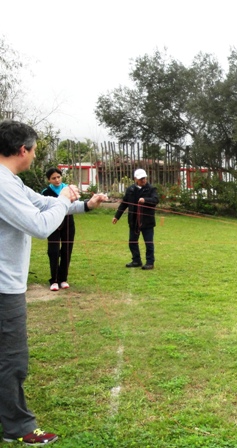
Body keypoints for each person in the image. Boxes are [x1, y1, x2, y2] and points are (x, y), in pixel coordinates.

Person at [0, 120, 108, 445]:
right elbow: (40, 225)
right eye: (34, 150)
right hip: (4, 288)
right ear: (23, 150)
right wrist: (63, 201)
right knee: (12, 359)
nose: (35, 155)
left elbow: (43, 203)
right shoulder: (2, 184)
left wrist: (82, 204)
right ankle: (18, 427)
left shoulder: (11, 181)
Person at [112, 169, 159, 270]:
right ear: (136, 179)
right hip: (133, 221)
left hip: (147, 221)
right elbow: (124, 204)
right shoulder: (131, 190)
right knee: (132, 242)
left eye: (144, 178)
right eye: (141, 179)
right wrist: (117, 216)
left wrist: (145, 200)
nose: (143, 180)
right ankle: (136, 260)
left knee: (148, 243)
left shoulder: (151, 189)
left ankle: (150, 262)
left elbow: (155, 200)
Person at [41, 168, 75, 291]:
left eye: (59, 177)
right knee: (53, 251)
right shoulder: (46, 192)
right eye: (53, 178)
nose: (57, 180)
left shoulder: (68, 190)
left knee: (66, 251)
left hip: (68, 224)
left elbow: (75, 205)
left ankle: (63, 279)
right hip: (53, 225)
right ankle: (54, 280)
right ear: (49, 180)